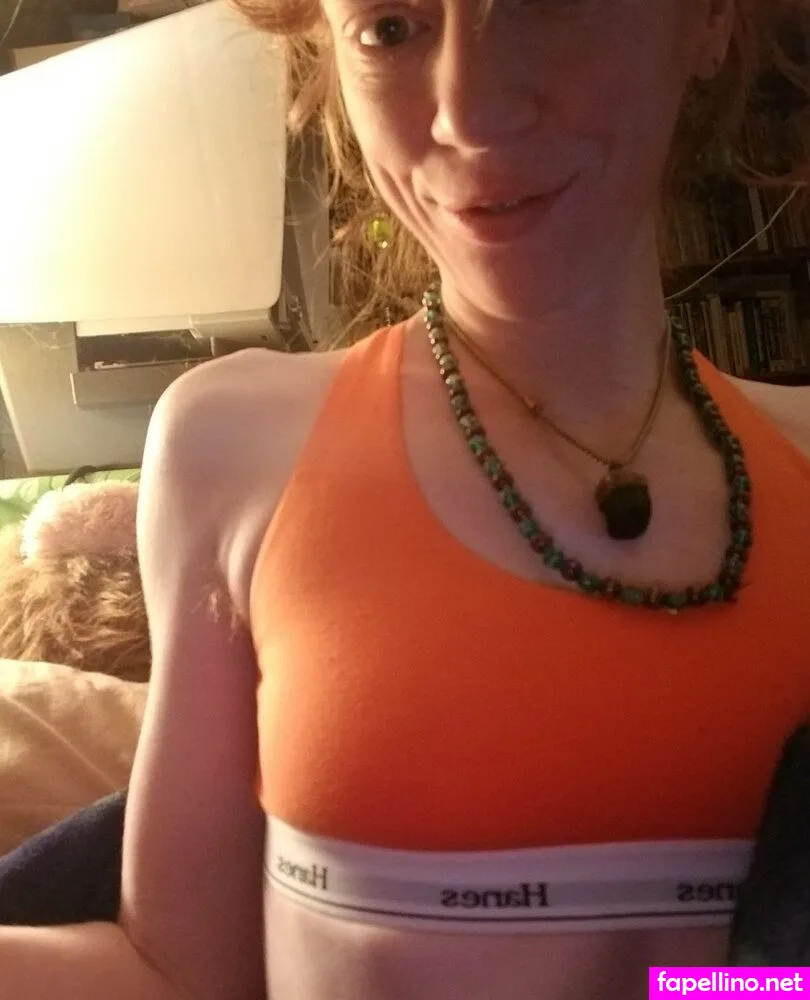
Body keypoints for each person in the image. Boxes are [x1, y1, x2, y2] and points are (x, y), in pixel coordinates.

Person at [2, 0, 810, 997]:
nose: (466, 112)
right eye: (390, 27)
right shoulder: (233, 446)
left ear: (709, 22)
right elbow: (182, 972)